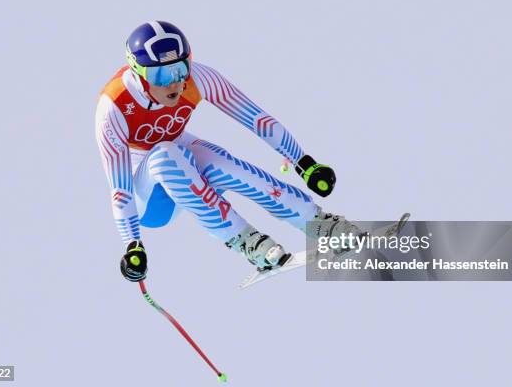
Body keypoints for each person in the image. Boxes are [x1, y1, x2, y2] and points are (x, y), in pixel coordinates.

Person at [95, 21, 362, 282]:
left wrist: (304, 163)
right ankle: (245, 240)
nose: (174, 83)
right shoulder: (114, 106)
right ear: (138, 73)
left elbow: (257, 119)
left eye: (180, 69)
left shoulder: (197, 79)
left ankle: (320, 224)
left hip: (183, 165)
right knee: (166, 154)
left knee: (221, 163)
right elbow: (120, 189)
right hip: (148, 200)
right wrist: (133, 245)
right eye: (161, 76)